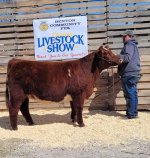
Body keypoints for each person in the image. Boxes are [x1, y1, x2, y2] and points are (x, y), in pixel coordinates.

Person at [118, 30, 141, 119]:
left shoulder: (129, 45)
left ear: (129, 36)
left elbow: (127, 58)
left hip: (129, 73)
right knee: (132, 93)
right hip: (133, 72)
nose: (122, 38)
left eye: (124, 36)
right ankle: (133, 113)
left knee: (130, 93)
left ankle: (131, 114)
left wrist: (118, 57)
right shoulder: (133, 45)